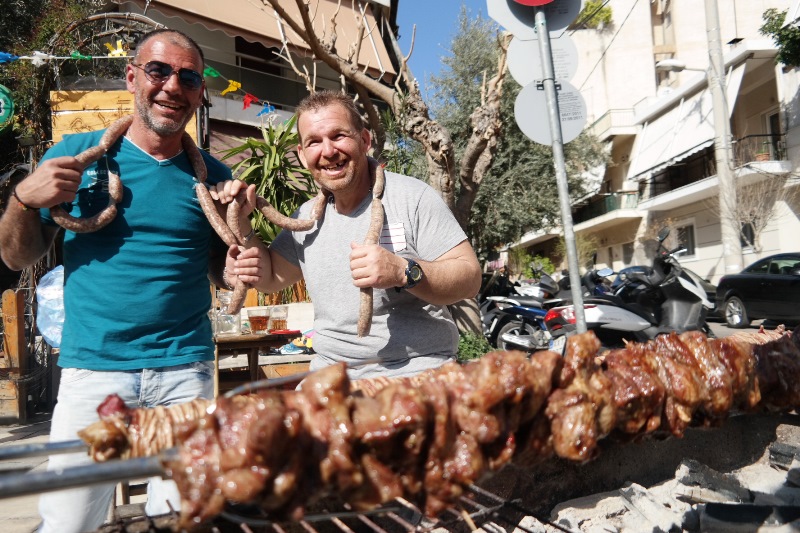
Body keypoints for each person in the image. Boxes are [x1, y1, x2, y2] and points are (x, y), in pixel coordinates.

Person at [0, 29, 251, 533]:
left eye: (188, 77)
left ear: (200, 92)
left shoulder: (213, 176)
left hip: (186, 371)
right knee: (69, 522)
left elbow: (219, 273)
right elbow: (15, 254)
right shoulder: (74, 156)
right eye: (159, 71)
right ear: (133, 77)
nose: (172, 86)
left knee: (180, 522)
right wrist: (23, 200)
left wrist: (237, 251)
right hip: (95, 372)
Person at [220, 90, 482, 380]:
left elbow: (470, 278)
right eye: (314, 142)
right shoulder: (305, 217)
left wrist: (403, 271)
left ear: (365, 141)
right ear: (302, 155)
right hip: (332, 375)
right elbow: (271, 278)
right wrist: (242, 222)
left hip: (417, 371)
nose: (328, 151)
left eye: (339, 136)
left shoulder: (412, 197)